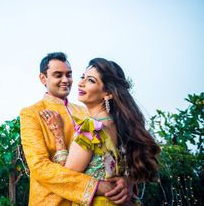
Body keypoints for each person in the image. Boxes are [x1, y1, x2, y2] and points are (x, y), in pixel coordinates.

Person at [39, 58, 160, 205]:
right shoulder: (119, 125)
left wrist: (58, 135)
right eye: (82, 77)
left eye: (91, 80)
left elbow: (67, 175)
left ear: (108, 93)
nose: (80, 83)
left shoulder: (91, 128)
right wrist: (128, 180)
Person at [20, 52, 134, 205]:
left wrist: (126, 181)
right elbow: (39, 167)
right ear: (43, 78)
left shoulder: (89, 113)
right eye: (58, 75)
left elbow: (115, 156)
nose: (65, 80)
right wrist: (95, 186)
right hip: (52, 201)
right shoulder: (32, 113)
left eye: (69, 74)